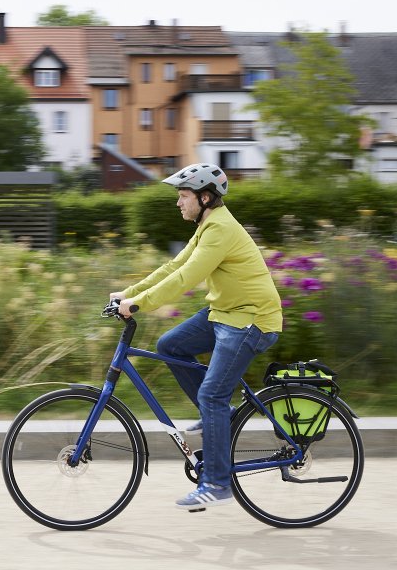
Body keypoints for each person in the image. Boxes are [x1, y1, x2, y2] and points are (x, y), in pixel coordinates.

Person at [111, 163, 283, 510]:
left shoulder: (220, 229)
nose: (179, 203)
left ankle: (218, 483)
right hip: (224, 313)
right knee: (170, 345)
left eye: (183, 196)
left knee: (212, 394)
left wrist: (139, 304)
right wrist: (128, 293)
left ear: (205, 197)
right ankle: (218, 418)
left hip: (250, 320)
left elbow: (187, 278)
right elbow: (174, 266)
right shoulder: (208, 224)